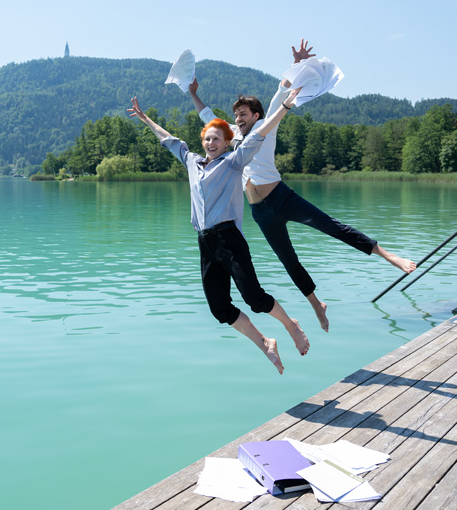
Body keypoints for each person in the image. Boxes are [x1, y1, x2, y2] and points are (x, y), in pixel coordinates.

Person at [188, 39, 417, 332]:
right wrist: (194, 94)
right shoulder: (230, 138)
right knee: (288, 260)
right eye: (236, 116)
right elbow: (208, 117)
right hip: (261, 212)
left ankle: (390, 256)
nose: (238, 119)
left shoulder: (264, 128)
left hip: (281, 198)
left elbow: (281, 93)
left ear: (256, 116)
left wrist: (297, 64)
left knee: (330, 226)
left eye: (243, 114)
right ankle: (317, 305)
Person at [128, 92, 309, 375]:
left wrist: (284, 106)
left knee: (254, 298)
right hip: (205, 242)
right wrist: (145, 118)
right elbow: (169, 140)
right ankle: (265, 343)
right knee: (219, 309)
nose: (210, 143)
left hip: (229, 239)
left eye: (216, 139)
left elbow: (261, 131)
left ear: (226, 143)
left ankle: (290, 324)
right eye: (207, 139)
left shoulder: (234, 161)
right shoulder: (192, 163)